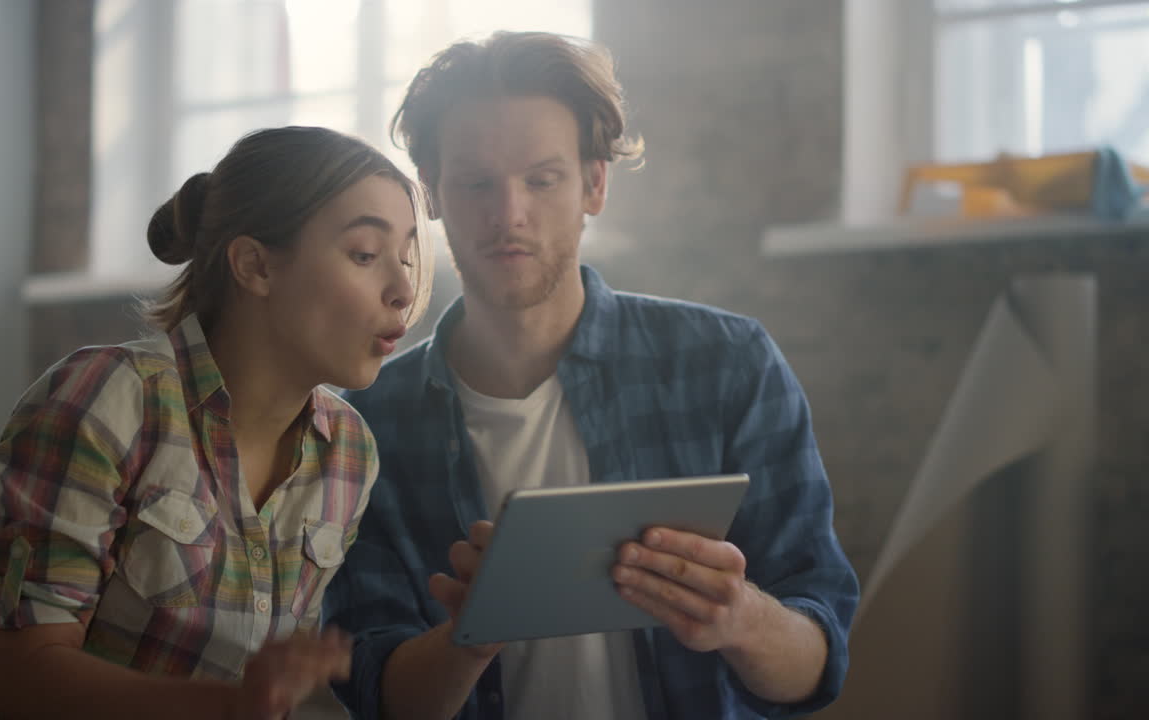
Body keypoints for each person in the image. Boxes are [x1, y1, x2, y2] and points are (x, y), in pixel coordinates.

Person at [324, 32, 860, 720]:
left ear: (594, 184)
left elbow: (818, 664)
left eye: (541, 180)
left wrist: (742, 618)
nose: (508, 213)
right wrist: (471, 635)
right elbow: (379, 695)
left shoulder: (728, 364)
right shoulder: (365, 425)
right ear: (430, 195)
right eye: (475, 183)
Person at [0, 126, 431, 720]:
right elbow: (26, 682)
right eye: (365, 255)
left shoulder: (348, 452)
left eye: (404, 258)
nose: (404, 290)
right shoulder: (106, 399)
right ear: (255, 265)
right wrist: (235, 705)